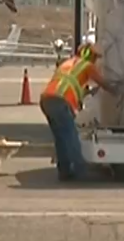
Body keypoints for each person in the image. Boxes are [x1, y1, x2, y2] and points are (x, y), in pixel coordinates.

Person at [40, 43, 113, 181]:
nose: (96, 61)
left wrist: (88, 92)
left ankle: (64, 171)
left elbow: (72, 85)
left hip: (46, 100)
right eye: (95, 57)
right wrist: (117, 91)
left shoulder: (68, 63)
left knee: (60, 138)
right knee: (71, 136)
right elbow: (103, 83)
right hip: (60, 101)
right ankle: (81, 171)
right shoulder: (87, 65)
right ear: (89, 55)